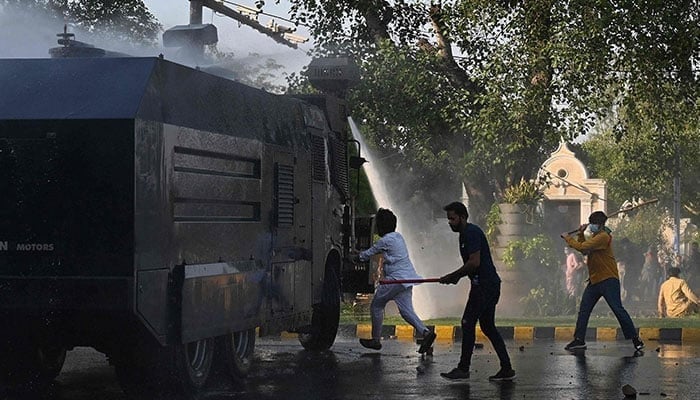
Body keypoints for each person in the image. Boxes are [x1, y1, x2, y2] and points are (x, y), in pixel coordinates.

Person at [438, 202, 515, 381]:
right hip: (486, 285)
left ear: (463, 217)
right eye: (448, 219)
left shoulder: (471, 233)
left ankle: (463, 368)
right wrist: (455, 277)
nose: (450, 222)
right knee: (488, 326)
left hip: (485, 286)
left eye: (452, 218)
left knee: (467, 322)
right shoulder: (465, 234)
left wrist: (453, 275)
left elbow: (474, 262)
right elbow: (472, 265)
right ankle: (507, 368)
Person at [353, 208, 437, 353]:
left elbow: (367, 255)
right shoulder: (398, 237)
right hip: (407, 279)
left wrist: (354, 257)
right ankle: (425, 333)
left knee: (376, 306)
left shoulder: (384, 240)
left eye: (378, 225)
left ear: (382, 226)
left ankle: (376, 340)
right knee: (406, 311)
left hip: (395, 280)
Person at [561, 211, 644, 351]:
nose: (590, 226)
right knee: (584, 310)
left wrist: (568, 238)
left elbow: (582, 247)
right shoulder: (596, 237)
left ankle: (635, 339)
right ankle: (579, 339)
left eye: (592, 223)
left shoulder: (603, 237)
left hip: (608, 280)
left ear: (598, 225)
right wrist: (580, 234)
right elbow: (584, 251)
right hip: (595, 280)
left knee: (617, 309)